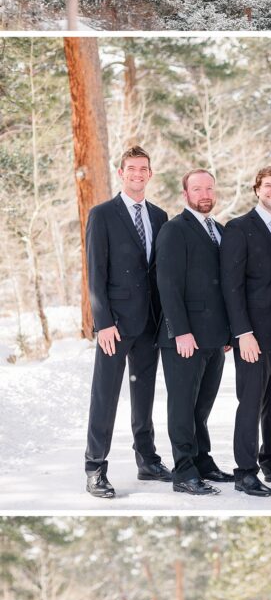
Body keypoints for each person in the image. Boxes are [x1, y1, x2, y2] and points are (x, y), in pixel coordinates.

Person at [84, 144, 171, 498]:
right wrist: (103, 321)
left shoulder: (160, 216)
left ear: (150, 174)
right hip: (115, 325)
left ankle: (146, 459)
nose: (138, 174)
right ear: (121, 173)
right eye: (131, 169)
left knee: (144, 395)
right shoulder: (103, 214)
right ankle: (94, 466)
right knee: (105, 394)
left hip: (150, 323)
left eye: (143, 169)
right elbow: (95, 272)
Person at [220, 165, 271, 496]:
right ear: (257, 189)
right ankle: (245, 471)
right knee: (250, 401)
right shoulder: (239, 229)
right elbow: (231, 285)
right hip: (253, 334)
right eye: (268, 186)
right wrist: (242, 332)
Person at [155, 169, 233, 496]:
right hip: (185, 338)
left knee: (202, 406)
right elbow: (168, 284)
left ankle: (202, 459)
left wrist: (229, 331)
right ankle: (184, 471)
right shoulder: (174, 230)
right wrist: (180, 331)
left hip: (215, 337)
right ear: (185, 194)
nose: (204, 194)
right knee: (183, 406)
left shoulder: (219, 230)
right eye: (197, 189)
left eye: (209, 188)